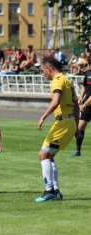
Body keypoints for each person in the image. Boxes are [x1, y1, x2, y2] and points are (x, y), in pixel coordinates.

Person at [36, 55, 80, 202]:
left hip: (62, 124)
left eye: (43, 70)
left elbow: (56, 101)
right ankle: (56, 192)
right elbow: (76, 105)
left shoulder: (57, 81)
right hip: (69, 123)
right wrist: (77, 127)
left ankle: (49, 191)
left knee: (42, 155)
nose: (43, 74)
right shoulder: (67, 80)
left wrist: (43, 116)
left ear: (49, 69)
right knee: (49, 156)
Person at [70, 57, 91, 157]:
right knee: (80, 126)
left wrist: (85, 104)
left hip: (87, 104)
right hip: (87, 103)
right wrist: (81, 97)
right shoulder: (88, 73)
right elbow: (84, 86)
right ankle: (78, 151)